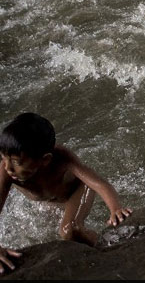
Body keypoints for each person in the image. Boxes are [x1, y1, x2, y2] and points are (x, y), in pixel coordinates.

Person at [0, 113, 132, 273]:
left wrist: (115, 208)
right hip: (50, 201)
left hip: (76, 192)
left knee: (69, 230)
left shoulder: (62, 158)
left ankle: (112, 249)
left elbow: (99, 183)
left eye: (17, 162)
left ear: (45, 160)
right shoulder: (6, 172)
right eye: (3, 157)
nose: (8, 167)